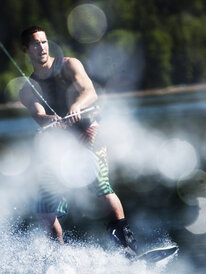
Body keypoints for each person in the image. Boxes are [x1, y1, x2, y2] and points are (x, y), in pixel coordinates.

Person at [18, 26, 137, 257]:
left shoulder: (69, 65)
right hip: (60, 145)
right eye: (35, 44)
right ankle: (60, 257)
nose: (41, 47)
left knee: (101, 186)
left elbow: (90, 91)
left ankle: (128, 247)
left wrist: (76, 106)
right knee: (45, 210)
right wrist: (46, 119)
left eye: (44, 42)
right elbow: (37, 112)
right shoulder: (27, 89)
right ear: (26, 49)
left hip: (89, 134)